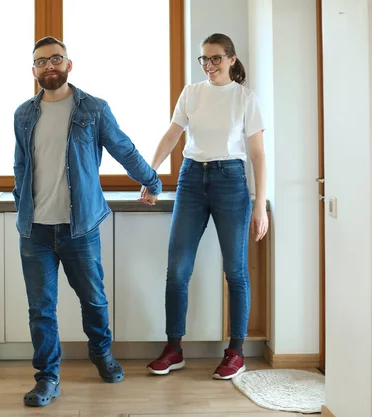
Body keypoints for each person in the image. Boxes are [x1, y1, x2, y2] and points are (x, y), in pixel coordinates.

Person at [12, 36, 162, 406]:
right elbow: (20, 167)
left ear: (69, 65)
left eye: (56, 59)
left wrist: (152, 180)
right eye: (42, 61)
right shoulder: (24, 114)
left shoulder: (93, 109)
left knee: (93, 300)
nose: (50, 66)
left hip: (80, 227)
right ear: (33, 70)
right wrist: (21, 207)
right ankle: (48, 377)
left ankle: (101, 352)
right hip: (35, 231)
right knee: (40, 309)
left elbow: (122, 148)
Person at [140, 33, 268, 380]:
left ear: (231, 59)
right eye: (204, 59)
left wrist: (260, 206)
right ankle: (173, 348)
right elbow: (171, 136)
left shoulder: (245, 98)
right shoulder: (191, 93)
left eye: (215, 59)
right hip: (192, 179)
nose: (209, 66)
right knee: (177, 269)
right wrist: (150, 177)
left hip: (231, 182)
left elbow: (256, 154)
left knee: (236, 272)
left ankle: (236, 352)